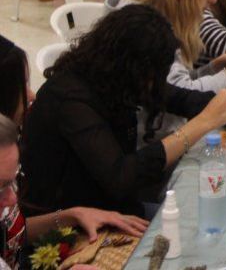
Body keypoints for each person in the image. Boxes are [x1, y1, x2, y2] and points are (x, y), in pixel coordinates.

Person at [19, 6, 226, 219]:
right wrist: (203, 123)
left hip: (114, 207)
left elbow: (182, 97)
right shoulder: (71, 99)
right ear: (134, 67)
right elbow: (121, 177)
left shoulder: (114, 78)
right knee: (203, 220)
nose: (155, 84)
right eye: (153, 75)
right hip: (75, 225)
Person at [0, 38, 148, 270]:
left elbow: (11, 231)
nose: (31, 95)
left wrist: (72, 215)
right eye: (21, 87)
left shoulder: (8, 145)